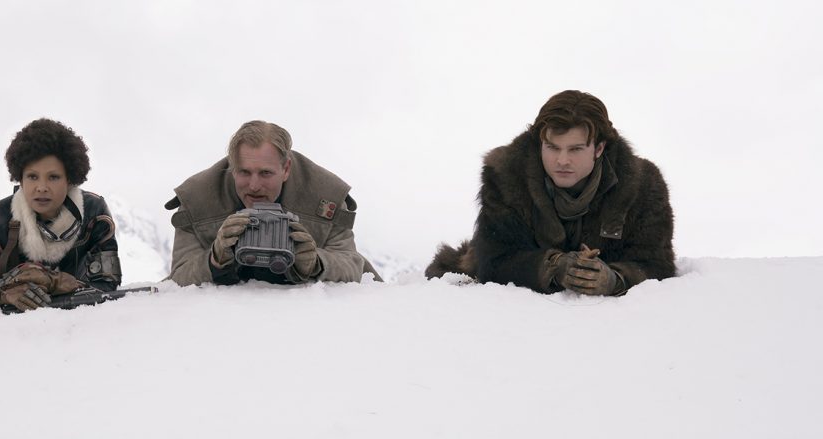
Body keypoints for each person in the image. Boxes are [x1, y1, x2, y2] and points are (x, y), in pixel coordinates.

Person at [426, 90, 675, 295]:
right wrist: (553, 267)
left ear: (599, 149)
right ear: (540, 144)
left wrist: (614, 279)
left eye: (575, 149)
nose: (562, 160)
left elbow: (656, 265)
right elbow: (494, 261)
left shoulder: (643, 186)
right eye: (552, 148)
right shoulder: (505, 176)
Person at [165, 120, 380, 286]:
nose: (254, 186)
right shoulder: (197, 199)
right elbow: (179, 277)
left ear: (286, 169)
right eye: (244, 172)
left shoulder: (326, 197)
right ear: (232, 167)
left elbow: (351, 265)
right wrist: (214, 260)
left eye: (265, 173)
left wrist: (315, 263)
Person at [0, 118, 121, 311]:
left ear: (70, 179)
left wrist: (53, 283)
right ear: (20, 179)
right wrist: (0, 295)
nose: (41, 187)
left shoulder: (94, 213)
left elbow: (108, 289)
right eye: (32, 176)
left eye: (53, 177)